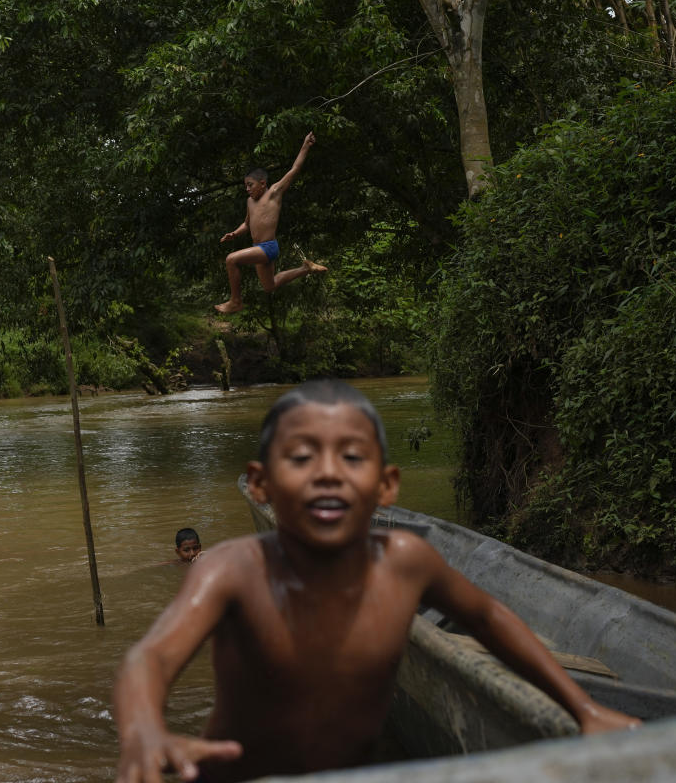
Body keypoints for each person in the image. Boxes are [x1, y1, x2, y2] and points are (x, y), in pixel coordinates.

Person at [113, 380, 639, 783]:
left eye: (351, 457)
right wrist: (143, 729)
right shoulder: (229, 569)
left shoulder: (406, 562)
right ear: (261, 484)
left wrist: (584, 708)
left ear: (385, 485)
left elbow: (487, 616)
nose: (327, 472)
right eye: (301, 457)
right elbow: (150, 658)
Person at [214, 132, 328, 315]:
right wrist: (235, 233)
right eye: (245, 186)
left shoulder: (274, 192)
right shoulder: (250, 202)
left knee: (231, 259)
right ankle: (306, 268)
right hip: (258, 247)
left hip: (268, 247)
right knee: (270, 286)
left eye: (250, 185)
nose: (247, 189)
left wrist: (306, 145)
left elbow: (295, 169)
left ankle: (236, 302)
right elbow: (247, 224)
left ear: (262, 183)